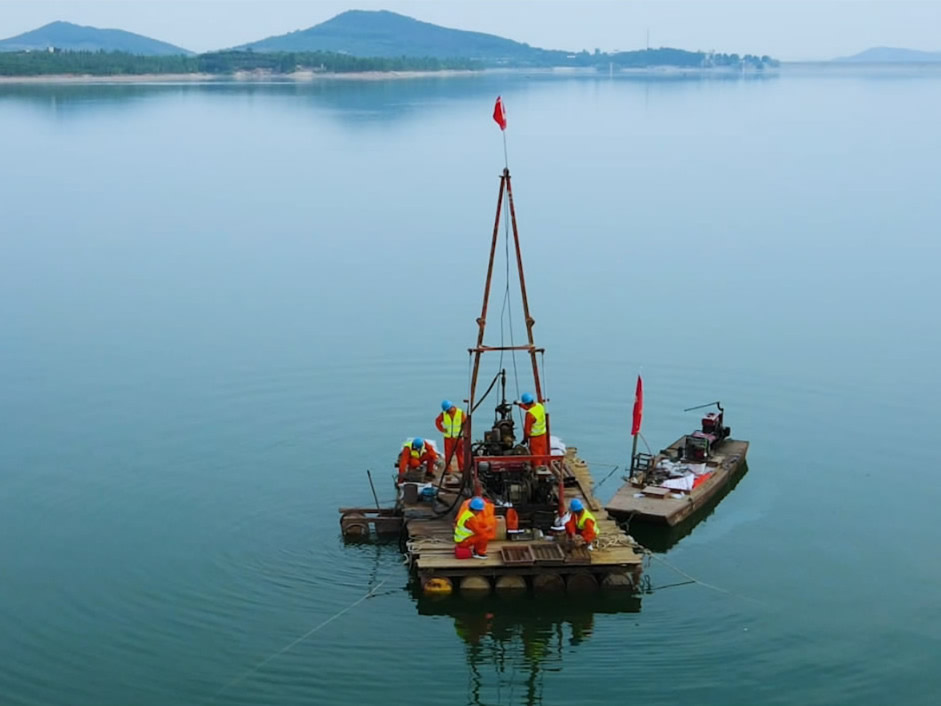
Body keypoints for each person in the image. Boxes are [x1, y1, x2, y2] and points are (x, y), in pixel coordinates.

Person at [517, 392, 548, 461]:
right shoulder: (539, 406)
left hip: (535, 439)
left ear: (526, 403)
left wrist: (524, 440)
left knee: (536, 456)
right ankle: (544, 466)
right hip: (543, 435)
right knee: (542, 453)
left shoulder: (530, 415)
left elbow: (527, 431)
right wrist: (519, 404)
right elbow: (529, 407)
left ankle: (538, 468)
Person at [435, 400, 464, 472]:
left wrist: (464, 433)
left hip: (458, 437)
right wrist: (442, 429)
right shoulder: (444, 414)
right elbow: (437, 421)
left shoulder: (460, 413)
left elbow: (465, 423)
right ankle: (448, 469)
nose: (447, 411)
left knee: (459, 453)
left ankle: (462, 468)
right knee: (448, 454)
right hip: (448, 437)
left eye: (448, 410)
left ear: (452, 407)